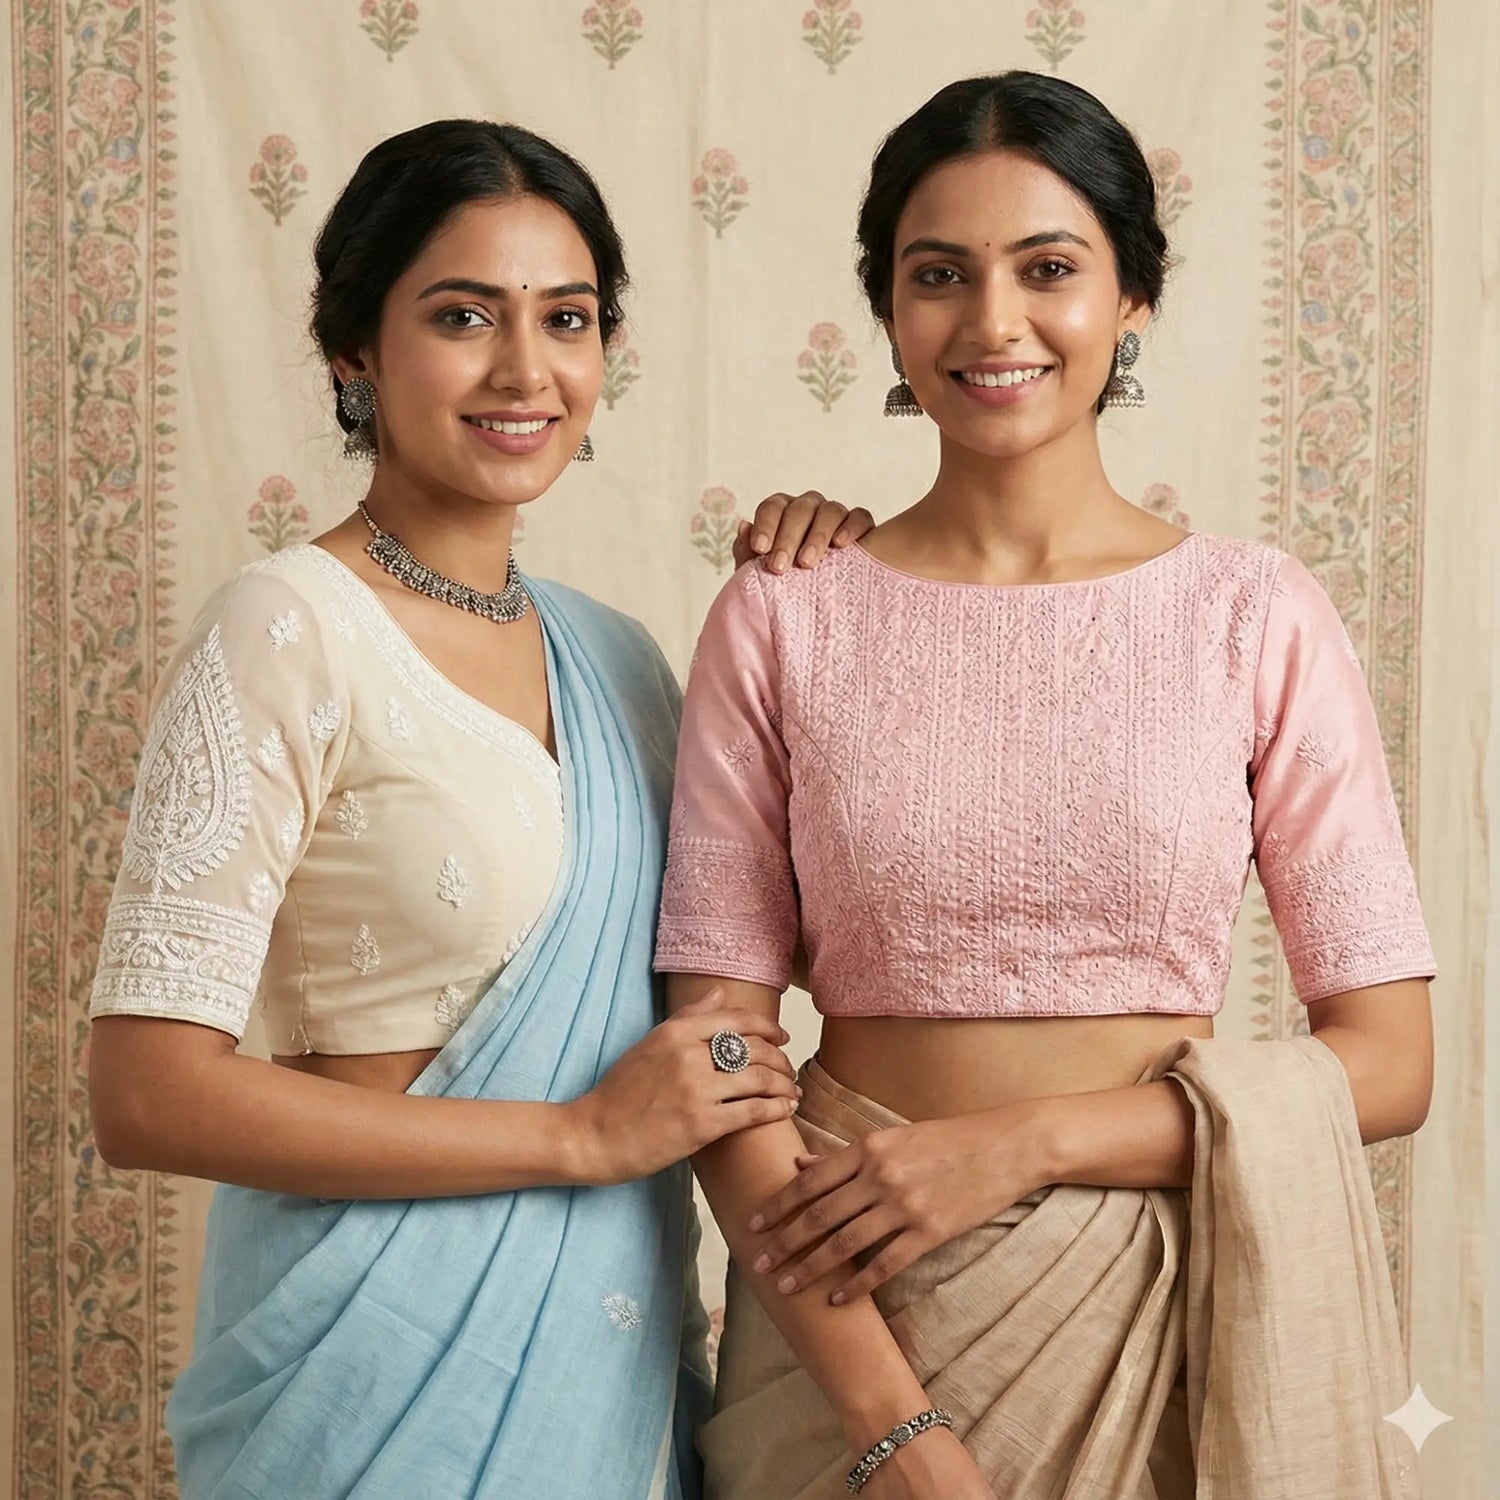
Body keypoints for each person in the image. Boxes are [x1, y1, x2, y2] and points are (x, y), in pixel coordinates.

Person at [657, 73, 1435, 1499]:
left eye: (1050, 270)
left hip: (1154, 1324)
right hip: (841, 1338)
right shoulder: (786, 612)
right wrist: (894, 1434)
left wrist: (1017, 1149)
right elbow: (715, 1051)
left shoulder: (1251, 617)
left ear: (1132, 298)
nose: (993, 323)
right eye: (938, 275)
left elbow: (1391, 1060)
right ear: (887, 307)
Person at [84, 118, 870, 1499]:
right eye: (462, 316)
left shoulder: (622, 657)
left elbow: (775, 941)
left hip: (604, 1369)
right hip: (361, 1376)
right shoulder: (285, 630)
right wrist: (577, 1138)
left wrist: (862, 590)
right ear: (355, 351)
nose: (525, 371)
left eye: (565, 319)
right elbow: (146, 1096)